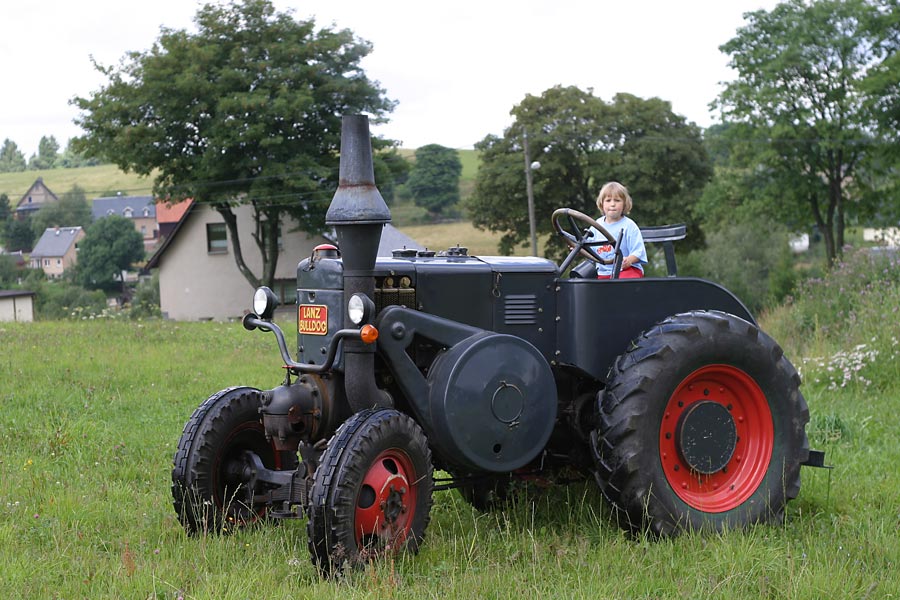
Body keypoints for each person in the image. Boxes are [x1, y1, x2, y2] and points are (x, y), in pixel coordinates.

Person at [589, 181, 647, 279]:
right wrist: (578, 249)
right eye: (608, 200)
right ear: (601, 203)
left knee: (620, 283)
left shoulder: (629, 226)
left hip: (627, 269)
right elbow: (589, 248)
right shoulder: (596, 225)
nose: (612, 204)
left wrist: (629, 260)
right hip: (604, 272)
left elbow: (639, 251)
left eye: (617, 200)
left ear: (624, 204)